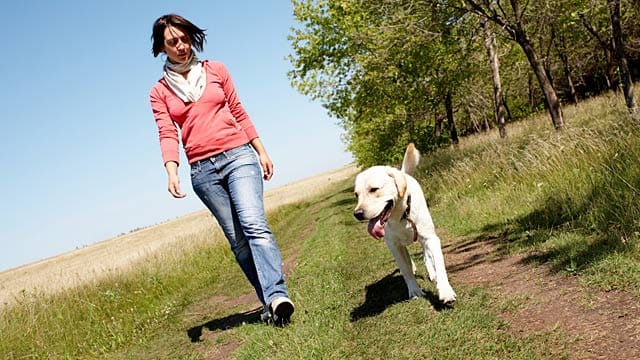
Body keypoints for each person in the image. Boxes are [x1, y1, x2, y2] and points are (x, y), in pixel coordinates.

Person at [148, 14, 294, 325]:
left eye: (184, 38)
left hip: (238, 155)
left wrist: (261, 150)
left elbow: (238, 110)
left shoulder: (216, 70)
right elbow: (167, 132)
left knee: (254, 224)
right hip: (202, 171)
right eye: (172, 42)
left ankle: (278, 294)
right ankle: (269, 301)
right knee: (238, 241)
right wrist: (171, 171)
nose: (181, 46)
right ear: (161, 48)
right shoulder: (159, 91)